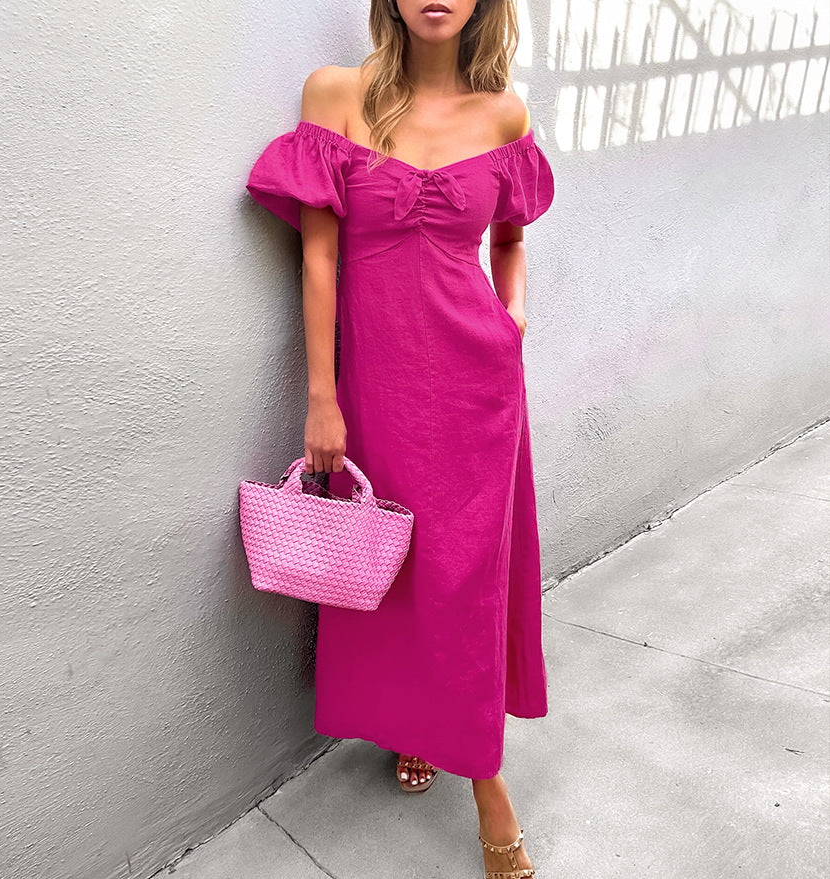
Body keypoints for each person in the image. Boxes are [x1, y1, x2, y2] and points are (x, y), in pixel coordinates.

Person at [246, 0, 555, 875]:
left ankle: (486, 778)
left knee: (466, 580)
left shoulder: (505, 115)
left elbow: (510, 239)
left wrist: (514, 317)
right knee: (402, 569)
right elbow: (318, 259)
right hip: (377, 390)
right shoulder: (335, 95)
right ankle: (415, 723)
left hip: (478, 389)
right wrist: (321, 396)